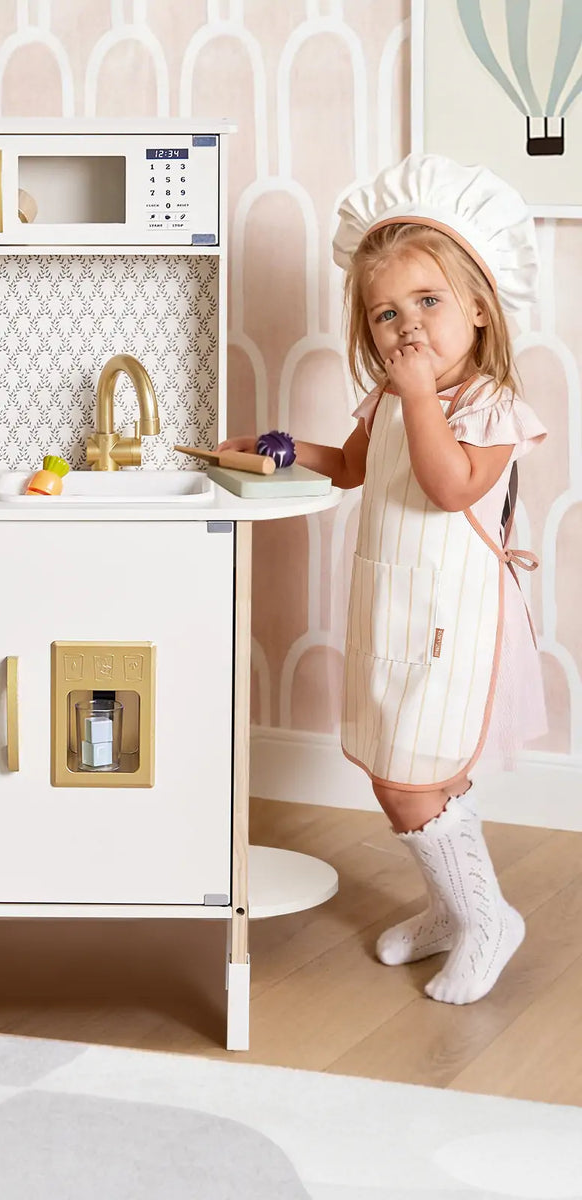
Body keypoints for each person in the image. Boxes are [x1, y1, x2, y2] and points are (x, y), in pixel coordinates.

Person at [220, 154, 547, 1005]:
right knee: (394, 766)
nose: (407, 328)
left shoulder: (489, 406)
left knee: (414, 776)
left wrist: (418, 399)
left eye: (429, 304)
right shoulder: (391, 400)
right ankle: (448, 907)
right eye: (386, 313)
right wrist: (278, 449)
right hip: (390, 603)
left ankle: (487, 918)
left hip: (451, 619)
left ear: (478, 306)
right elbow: (358, 466)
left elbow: (449, 485)